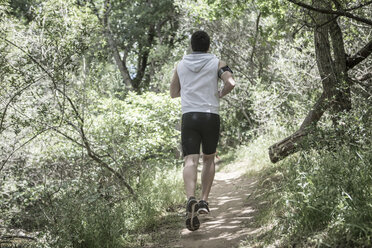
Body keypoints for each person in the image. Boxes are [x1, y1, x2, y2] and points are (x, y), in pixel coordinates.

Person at [170, 30, 236, 231]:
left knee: (190, 159)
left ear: (191, 46)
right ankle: (204, 202)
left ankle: (190, 198)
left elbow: (173, 93)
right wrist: (219, 94)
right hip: (210, 116)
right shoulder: (217, 63)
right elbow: (230, 82)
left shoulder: (180, 65)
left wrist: (189, 90)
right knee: (208, 158)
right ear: (208, 46)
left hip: (189, 116)